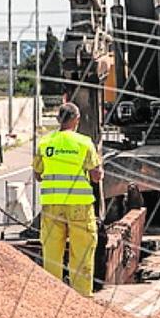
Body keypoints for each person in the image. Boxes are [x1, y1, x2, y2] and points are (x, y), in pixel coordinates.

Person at [34, 102, 103, 296]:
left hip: (52, 205)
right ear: (76, 120)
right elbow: (96, 176)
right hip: (80, 206)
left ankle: (53, 297)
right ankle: (81, 298)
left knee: (52, 253)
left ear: (58, 120)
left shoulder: (45, 143)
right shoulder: (84, 143)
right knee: (82, 252)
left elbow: (38, 174)